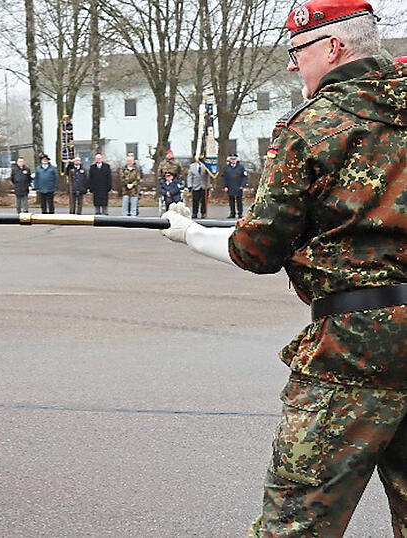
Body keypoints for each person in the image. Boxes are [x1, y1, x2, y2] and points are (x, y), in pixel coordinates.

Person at [161, 1, 407, 535]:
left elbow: (259, 249)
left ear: (333, 49)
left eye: (297, 52)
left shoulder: (314, 124)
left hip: (354, 350)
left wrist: (197, 236)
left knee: (298, 524)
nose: (293, 66)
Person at [221, 154, 247, 218]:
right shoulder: (226, 168)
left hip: (238, 186)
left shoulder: (241, 167)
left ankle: (240, 213)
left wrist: (242, 185)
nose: (233, 161)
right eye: (232, 159)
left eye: (234, 159)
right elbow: (224, 178)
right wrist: (225, 186)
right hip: (230, 187)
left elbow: (244, 177)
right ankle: (232, 213)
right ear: (229, 160)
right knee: (231, 201)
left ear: (236, 160)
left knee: (239, 201)